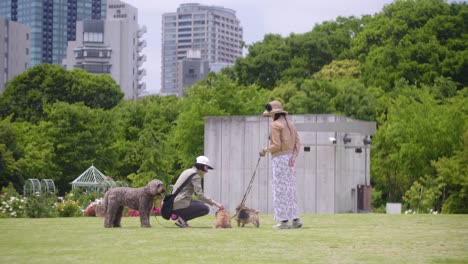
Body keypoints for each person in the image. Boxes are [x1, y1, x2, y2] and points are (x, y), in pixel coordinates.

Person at [259, 100, 302, 229]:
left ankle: (283, 221)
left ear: (274, 113)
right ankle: (295, 219)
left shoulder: (276, 125)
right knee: (290, 190)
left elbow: (276, 145)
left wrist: (264, 150)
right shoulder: (291, 125)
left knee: (279, 190)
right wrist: (293, 157)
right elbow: (298, 144)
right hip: (290, 160)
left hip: (279, 160)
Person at [171, 155, 224, 228]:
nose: (207, 170)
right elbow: (200, 195)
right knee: (205, 209)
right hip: (179, 202)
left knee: (200, 204)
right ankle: (181, 218)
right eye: (206, 167)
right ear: (201, 166)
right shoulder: (195, 176)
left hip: (175, 201)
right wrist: (216, 203)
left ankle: (179, 215)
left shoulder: (188, 171)